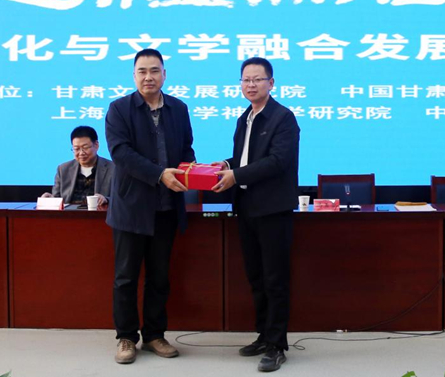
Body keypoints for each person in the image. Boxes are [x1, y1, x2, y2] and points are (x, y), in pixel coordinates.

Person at [104, 48, 195, 364]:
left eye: (154, 70)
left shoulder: (178, 109)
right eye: (142, 71)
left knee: (159, 277)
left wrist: (193, 171)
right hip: (131, 208)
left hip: (166, 208)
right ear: (134, 76)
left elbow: (186, 149)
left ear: (164, 74)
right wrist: (159, 174)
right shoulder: (119, 109)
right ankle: (126, 337)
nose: (148, 77)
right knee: (126, 277)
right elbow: (121, 153)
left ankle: (155, 335)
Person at [212, 57, 300, 373]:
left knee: (275, 279)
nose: (251, 85)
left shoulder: (283, 118)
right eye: (246, 80)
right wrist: (226, 165)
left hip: (273, 209)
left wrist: (236, 175)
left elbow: (276, 161)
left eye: (257, 79)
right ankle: (264, 335)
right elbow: (245, 158)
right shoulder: (244, 118)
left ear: (271, 83)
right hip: (247, 207)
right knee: (256, 277)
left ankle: (277, 345)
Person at [41, 125, 113, 209]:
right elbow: (57, 199)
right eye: (76, 148)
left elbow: (122, 198)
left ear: (96, 145)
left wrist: (106, 199)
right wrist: (49, 200)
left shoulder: (113, 168)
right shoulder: (63, 169)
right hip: (69, 215)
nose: (81, 153)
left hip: (99, 215)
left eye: (85, 147)